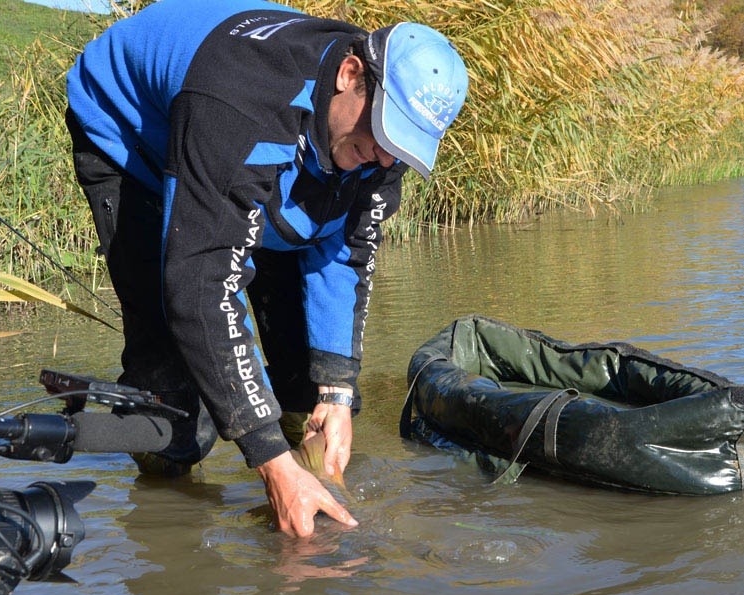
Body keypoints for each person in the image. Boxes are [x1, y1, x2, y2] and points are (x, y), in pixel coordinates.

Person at [64, 0, 468, 537]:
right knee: (184, 424)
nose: (387, 160)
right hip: (132, 132)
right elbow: (200, 283)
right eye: (385, 134)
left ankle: (300, 489)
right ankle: (56, 430)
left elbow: (343, 252)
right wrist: (269, 458)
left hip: (253, 133)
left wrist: (337, 394)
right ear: (351, 75)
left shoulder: (378, 146)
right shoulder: (241, 106)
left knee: (301, 390)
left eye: (403, 147)